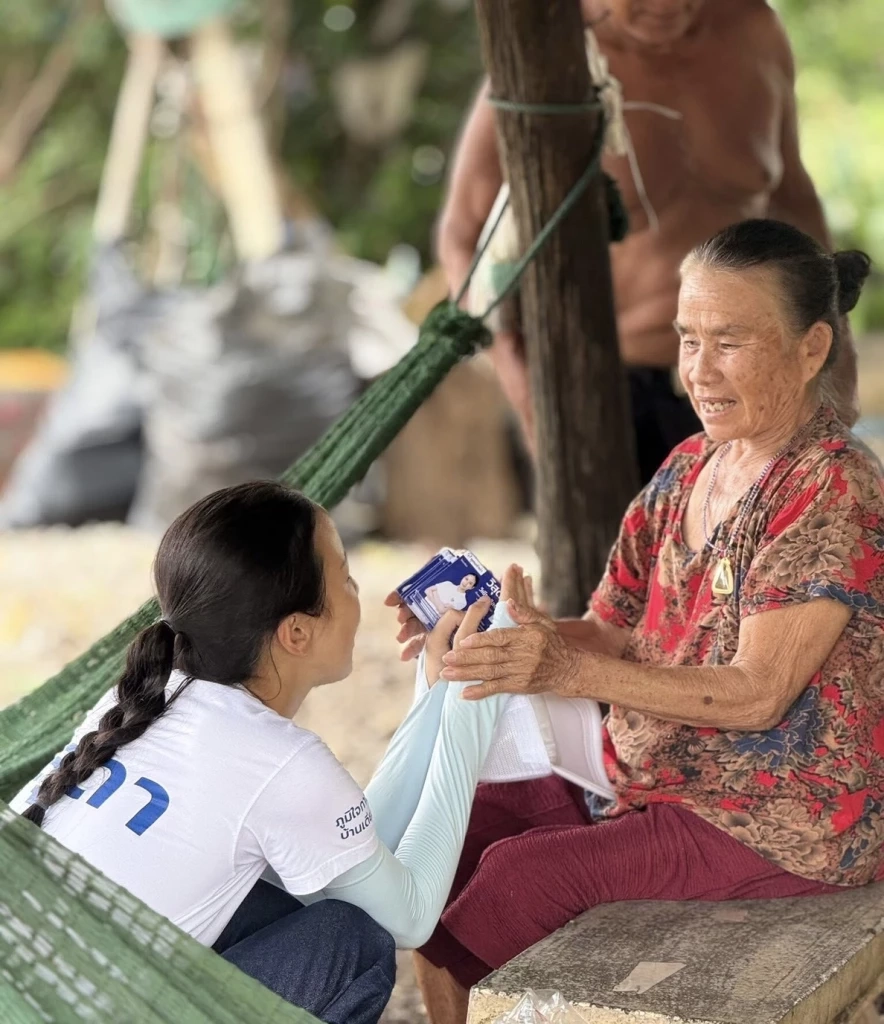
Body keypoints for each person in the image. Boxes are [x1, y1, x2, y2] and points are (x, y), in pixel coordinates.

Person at [392, 220, 883, 1023]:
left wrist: (565, 670)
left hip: (782, 817)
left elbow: (759, 694)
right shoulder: (689, 467)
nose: (699, 370)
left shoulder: (831, 487)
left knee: (519, 879)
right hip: (657, 778)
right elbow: (609, 629)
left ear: (811, 349)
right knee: (456, 836)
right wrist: (497, 636)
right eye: (689, 339)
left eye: (730, 342)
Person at [12, 481, 529, 1024]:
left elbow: (344, 853)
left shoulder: (140, 699)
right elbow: (411, 917)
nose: (359, 594)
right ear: (297, 632)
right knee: (351, 944)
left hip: (37, 996)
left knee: (275, 897)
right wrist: (476, 703)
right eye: (346, 578)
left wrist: (438, 690)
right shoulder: (280, 760)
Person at [437, 0, 858, 484]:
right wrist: (524, 385)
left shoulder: (753, 28)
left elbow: (793, 200)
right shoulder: (550, 52)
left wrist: (836, 343)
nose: (668, 4)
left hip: (755, 383)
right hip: (608, 396)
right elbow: (461, 236)